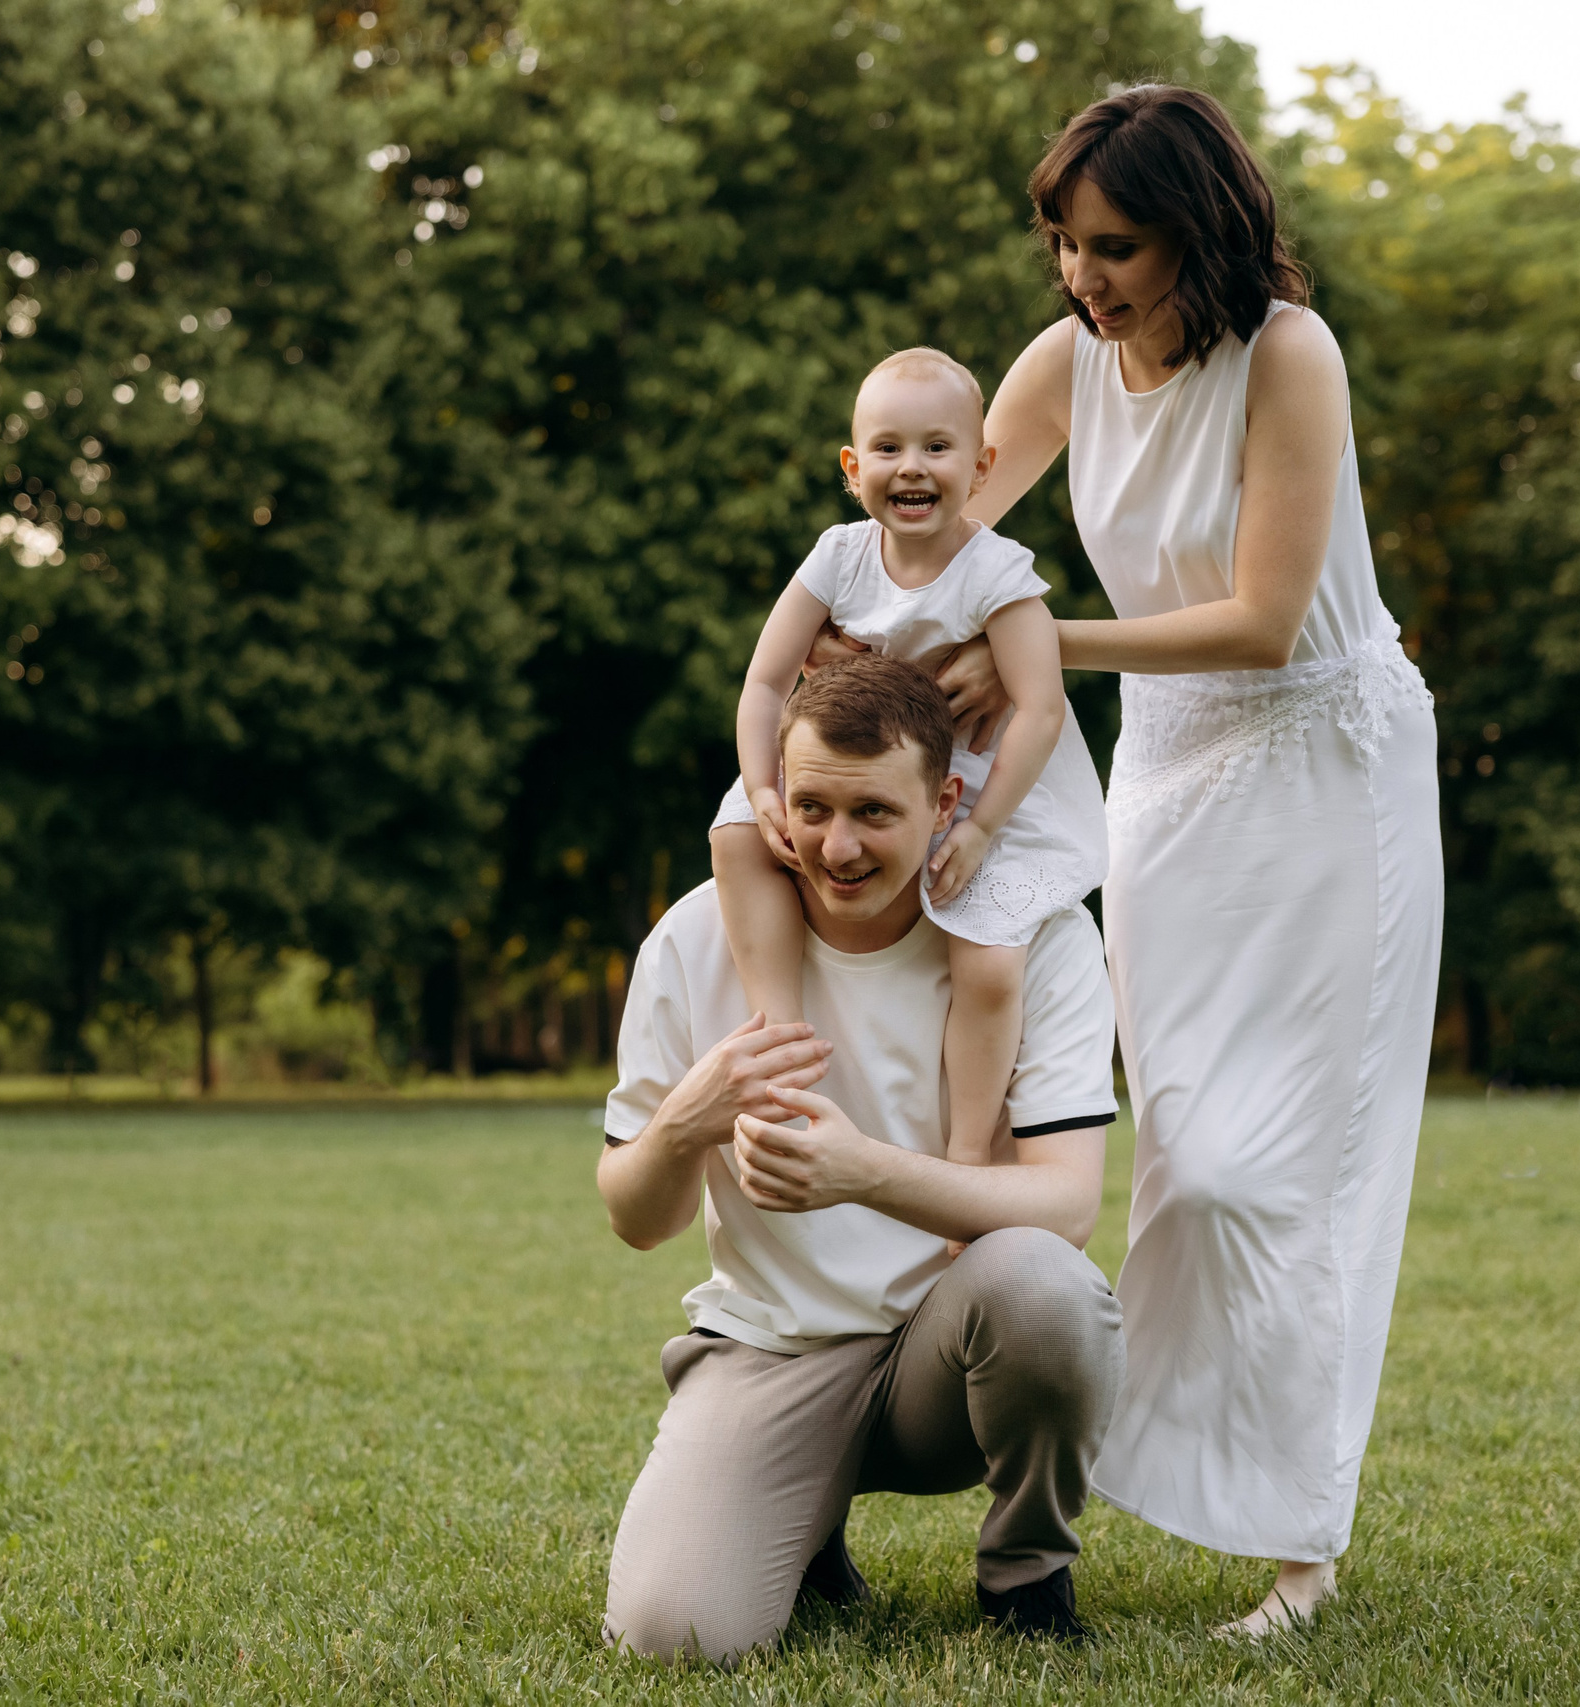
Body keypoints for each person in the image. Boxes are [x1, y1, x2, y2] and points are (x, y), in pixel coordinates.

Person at [938, 84, 1444, 1635]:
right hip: (1164, 784)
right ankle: (1173, 1469)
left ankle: (1307, 1545)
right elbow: (941, 521)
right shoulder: (1064, 362)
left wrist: (1034, 640)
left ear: (1200, 230)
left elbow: (1261, 615)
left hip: (1322, 771)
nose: (1082, 277)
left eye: (1117, 245)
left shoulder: (1288, 356)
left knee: (1289, 1162)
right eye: (1063, 241)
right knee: (1187, 1161)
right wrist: (850, 624)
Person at [598, 653, 1125, 1664]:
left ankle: (1025, 1575)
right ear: (774, 804)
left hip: (951, 1350)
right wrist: (683, 1123)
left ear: (946, 801)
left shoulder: (1037, 940)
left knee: (1044, 1284)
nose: (834, 847)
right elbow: (633, 1217)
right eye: (810, 809)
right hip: (773, 1350)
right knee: (674, 1635)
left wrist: (861, 1171)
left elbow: (1065, 1207)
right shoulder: (694, 938)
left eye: (874, 814)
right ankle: (802, 1536)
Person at [710, 347, 1108, 1178]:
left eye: (938, 446)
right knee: (738, 835)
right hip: (863, 778)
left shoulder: (1000, 574)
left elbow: (1040, 709)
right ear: (853, 468)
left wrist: (984, 827)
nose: (912, 467)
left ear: (982, 464)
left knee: (989, 961)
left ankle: (967, 1148)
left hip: (996, 790)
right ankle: (780, 1039)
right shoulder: (839, 558)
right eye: (888, 448)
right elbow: (763, 680)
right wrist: (761, 785)